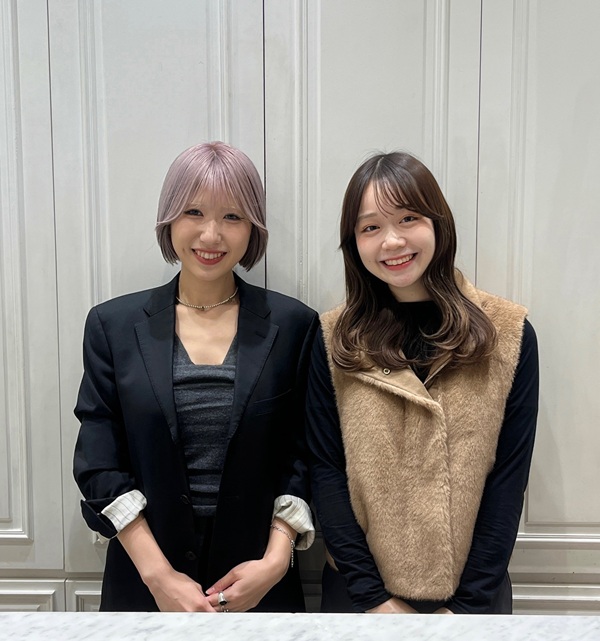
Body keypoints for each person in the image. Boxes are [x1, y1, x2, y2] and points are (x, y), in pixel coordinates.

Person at [73, 141, 318, 612]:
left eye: (232, 216)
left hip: (258, 585)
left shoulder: (294, 326)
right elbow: (98, 460)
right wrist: (158, 576)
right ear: (170, 219)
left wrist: (274, 563)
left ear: (252, 228)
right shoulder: (113, 326)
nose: (211, 234)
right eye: (194, 212)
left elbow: (305, 454)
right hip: (144, 582)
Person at [307, 151, 538, 614]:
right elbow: (325, 471)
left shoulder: (507, 333)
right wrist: (375, 600)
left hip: (474, 601)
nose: (392, 241)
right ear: (354, 242)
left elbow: (509, 480)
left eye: (408, 218)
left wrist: (466, 609)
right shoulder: (335, 340)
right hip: (359, 600)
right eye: (370, 227)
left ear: (438, 223)